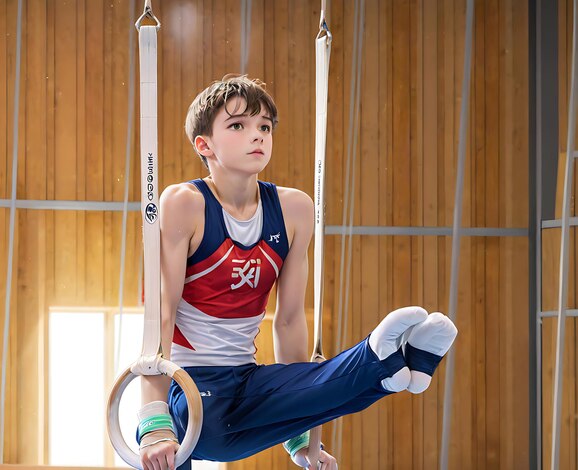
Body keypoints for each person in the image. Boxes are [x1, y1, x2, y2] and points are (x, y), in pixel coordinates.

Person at [137, 75, 457, 470]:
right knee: (215, 424)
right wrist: (152, 419)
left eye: (264, 127)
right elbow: (161, 314)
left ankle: (394, 368)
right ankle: (375, 357)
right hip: (191, 390)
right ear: (204, 145)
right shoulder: (185, 204)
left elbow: (288, 322)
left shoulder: (293, 209)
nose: (257, 135)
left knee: (316, 380)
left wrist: (302, 437)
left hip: (249, 384)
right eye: (238, 125)